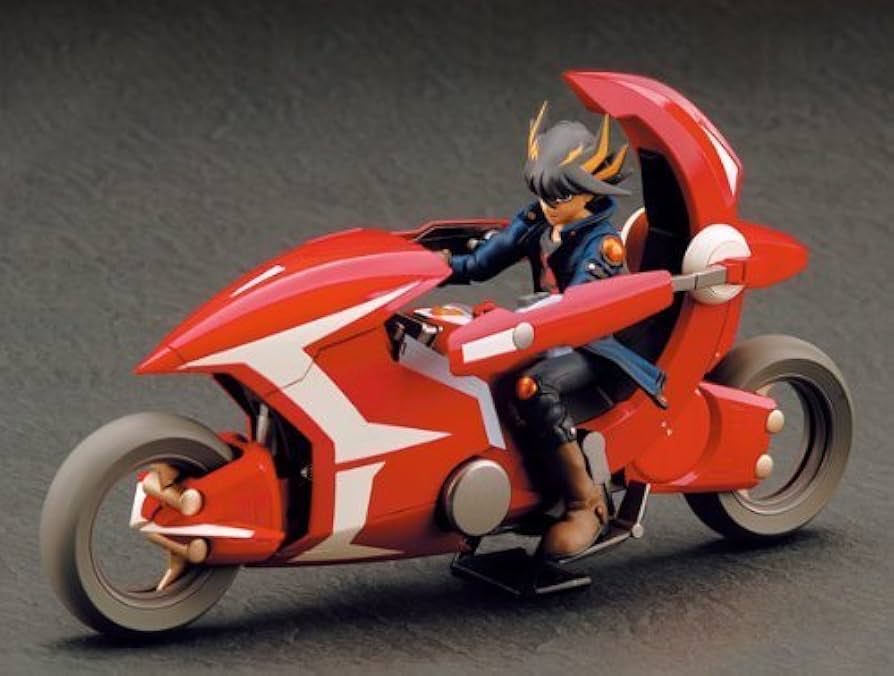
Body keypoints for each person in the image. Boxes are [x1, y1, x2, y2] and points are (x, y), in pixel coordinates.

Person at [441, 103, 667, 558]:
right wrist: (431, 266)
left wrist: (520, 321)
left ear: (588, 191)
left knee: (533, 388)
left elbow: (580, 310)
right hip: (545, 331)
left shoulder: (603, 245)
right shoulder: (539, 221)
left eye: (559, 198)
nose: (549, 206)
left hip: (596, 344)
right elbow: (482, 262)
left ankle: (587, 503)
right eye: (544, 195)